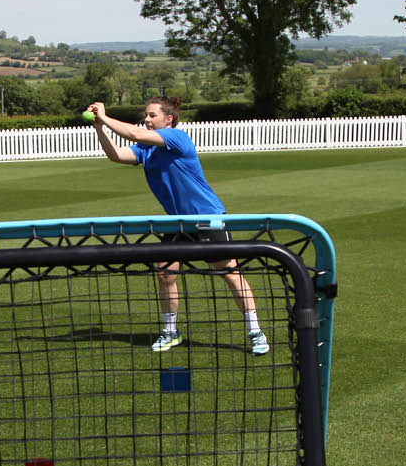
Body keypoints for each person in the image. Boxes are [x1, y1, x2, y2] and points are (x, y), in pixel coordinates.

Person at [85, 96, 269, 355]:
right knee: (165, 273)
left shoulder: (177, 138)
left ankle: (255, 331)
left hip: (206, 217)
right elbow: (116, 155)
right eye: (145, 115)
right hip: (175, 221)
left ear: (168, 119)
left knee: (229, 272)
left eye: (152, 115)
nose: (146, 120)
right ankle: (171, 332)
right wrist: (98, 127)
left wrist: (104, 116)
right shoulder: (146, 150)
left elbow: (134, 134)